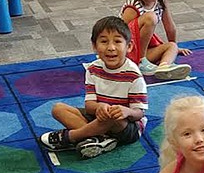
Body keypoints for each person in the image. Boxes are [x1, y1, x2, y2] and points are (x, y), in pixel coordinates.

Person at [39, 16, 148, 159]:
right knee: (58, 108)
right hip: (99, 117)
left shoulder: (134, 75)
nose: (110, 47)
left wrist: (126, 111)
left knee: (112, 116)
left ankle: (73, 136)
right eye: (103, 41)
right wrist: (99, 107)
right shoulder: (93, 69)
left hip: (125, 125)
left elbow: (139, 113)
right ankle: (97, 140)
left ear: (129, 46)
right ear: (94, 46)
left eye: (117, 41)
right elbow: (89, 105)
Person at [120, 0, 192, 81]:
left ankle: (164, 67)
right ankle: (142, 62)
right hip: (128, 50)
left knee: (171, 46)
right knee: (150, 17)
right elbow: (121, 33)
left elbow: (170, 27)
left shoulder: (161, 1)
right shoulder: (132, 6)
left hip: (145, 50)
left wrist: (174, 47)